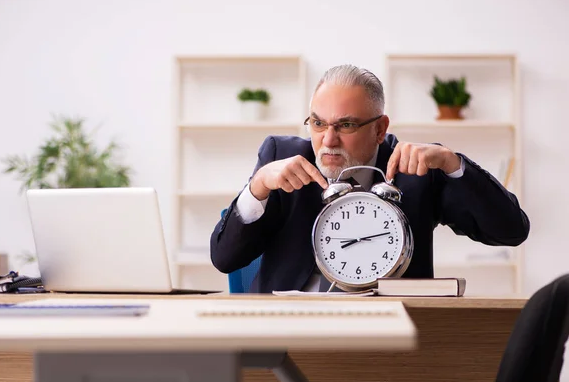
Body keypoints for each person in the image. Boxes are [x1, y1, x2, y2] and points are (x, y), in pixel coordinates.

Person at [210, 64, 530, 293]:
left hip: (390, 339)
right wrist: (259, 186)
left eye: (346, 125)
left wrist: (452, 163)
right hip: (291, 331)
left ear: (380, 129)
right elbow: (225, 258)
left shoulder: (416, 168)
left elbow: (511, 231)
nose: (328, 140)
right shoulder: (281, 158)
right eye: (318, 123)